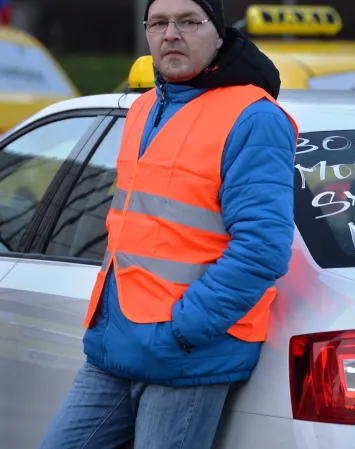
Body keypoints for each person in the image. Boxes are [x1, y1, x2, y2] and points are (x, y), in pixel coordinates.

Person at [38, 0, 298, 447]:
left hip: (184, 357)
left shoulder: (254, 117)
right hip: (115, 346)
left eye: (188, 22)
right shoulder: (143, 108)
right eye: (158, 23)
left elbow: (262, 247)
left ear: (218, 32)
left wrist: (184, 330)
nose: (171, 34)